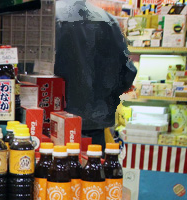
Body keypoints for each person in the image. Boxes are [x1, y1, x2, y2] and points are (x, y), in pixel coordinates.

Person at [55, 0, 137, 149]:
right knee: (93, 162)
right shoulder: (108, 20)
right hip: (95, 123)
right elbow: (127, 72)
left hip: (52, 121)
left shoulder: (49, 17)